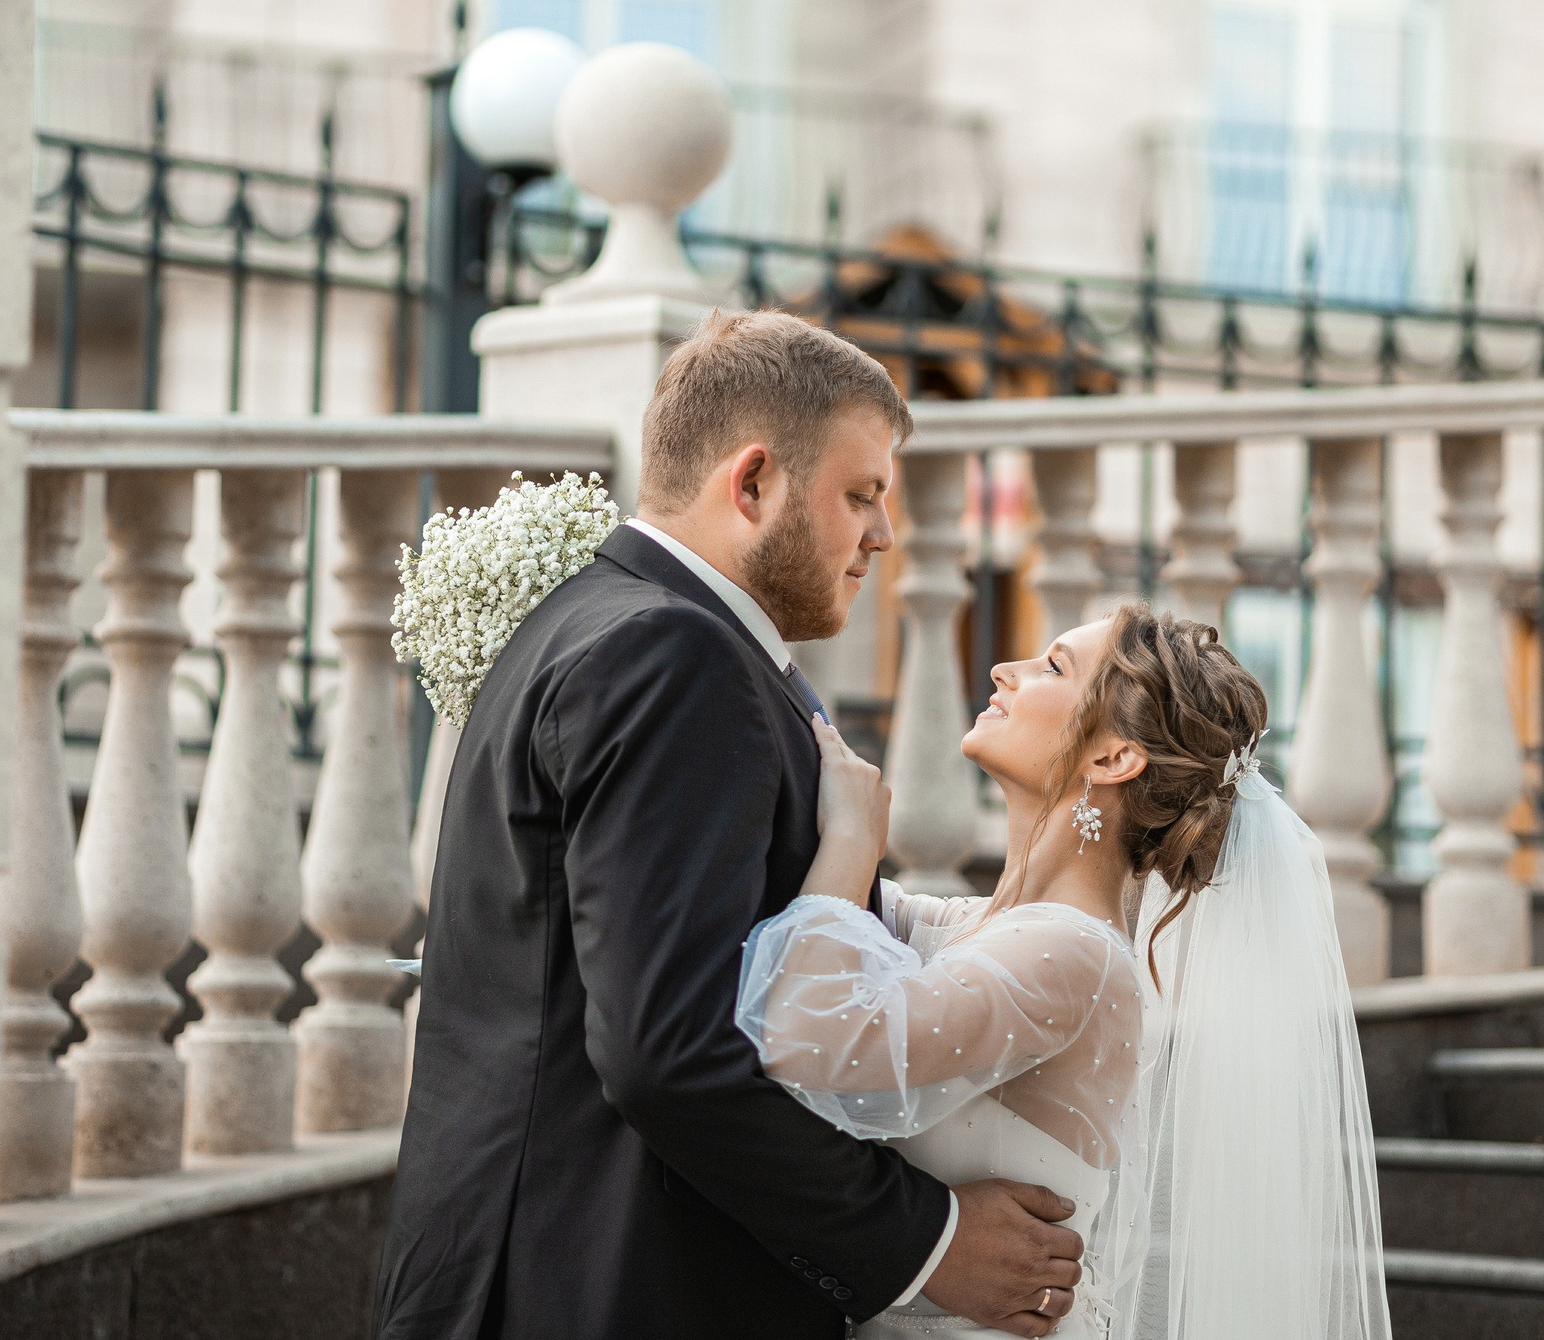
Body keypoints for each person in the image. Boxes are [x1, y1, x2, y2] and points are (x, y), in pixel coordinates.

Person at [375, 311, 1089, 1340]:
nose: (882, 535)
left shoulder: (599, 620)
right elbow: (667, 1050)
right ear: (751, 482)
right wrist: (924, 1242)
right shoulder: (673, 660)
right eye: (860, 495)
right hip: (595, 1289)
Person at [738, 604, 1391, 1339]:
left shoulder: (1073, 956)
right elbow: (823, 925)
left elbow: (811, 1037)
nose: (1002, 670)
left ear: (1113, 758)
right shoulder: (979, 926)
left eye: (1052, 666)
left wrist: (855, 839)